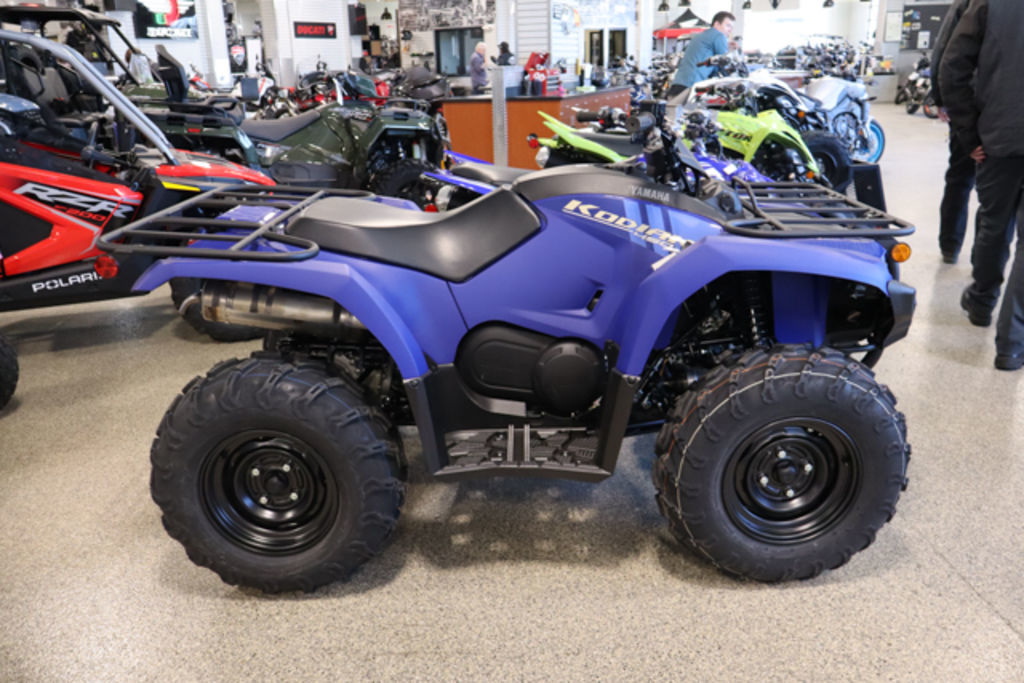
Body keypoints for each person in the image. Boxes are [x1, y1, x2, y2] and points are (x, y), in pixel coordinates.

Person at [941, 0, 1024, 370]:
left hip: (998, 135)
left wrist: (968, 132)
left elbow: (952, 66)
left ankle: (981, 302)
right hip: (998, 134)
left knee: (994, 223)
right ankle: (1012, 345)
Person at [930, 0, 972, 264]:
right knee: (999, 194)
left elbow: (944, 50)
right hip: (1004, 110)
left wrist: (940, 97)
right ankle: (986, 264)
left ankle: (950, 246)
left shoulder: (966, 4)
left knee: (960, 179)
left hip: (969, 104)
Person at [666, 11, 735, 99]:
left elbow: (713, 63)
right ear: (717, 24)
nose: (730, 30)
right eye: (728, 25)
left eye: (732, 27)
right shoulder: (719, 36)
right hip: (692, 85)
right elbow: (725, 62)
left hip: (679, 82)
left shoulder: (701, 35)